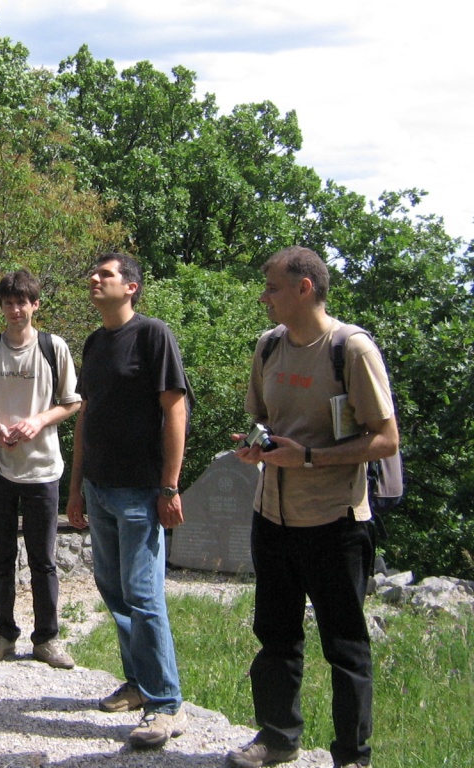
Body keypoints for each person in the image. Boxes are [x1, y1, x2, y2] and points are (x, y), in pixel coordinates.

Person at [225, 247, 397, 768]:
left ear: (304, 289)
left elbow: (386, 439)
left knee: (345, 647)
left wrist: (308, 458)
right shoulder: (268, 345)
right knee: (275, 636)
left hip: (335, 522)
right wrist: (255, 446)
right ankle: (278, 738)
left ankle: (352, 758)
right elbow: (262, 420)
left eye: (273, 288)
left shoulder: (352, 349)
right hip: (272, 516)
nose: (264, 298)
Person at [65, 253, 190, 749]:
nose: (94, 279)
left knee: (143, 595)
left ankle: (166, 704)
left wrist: (169, 486)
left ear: (131, 286)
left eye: (106, 274)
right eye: (93, 273)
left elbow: (175, 410)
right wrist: (75, 487)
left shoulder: (153, 335)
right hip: (99, 489)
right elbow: (86, 417)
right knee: (115, 593)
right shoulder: (95, 342)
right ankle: (138, 683)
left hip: (140, 490)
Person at [0, 270, 81, 668]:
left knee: (43, 559)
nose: (15, 310)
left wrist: (39, 421)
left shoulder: (53, 347)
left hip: (42, 466)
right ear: (1, 307)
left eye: (22, 303)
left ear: (35, 305)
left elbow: (72, 401)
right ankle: (3, 634)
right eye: (8, 303)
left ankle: (46, 639)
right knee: (1, 555)